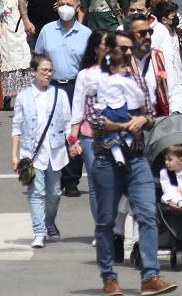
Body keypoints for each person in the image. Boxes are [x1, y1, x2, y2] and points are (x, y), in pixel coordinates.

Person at [83, 44, 177, 296]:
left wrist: (143, 120)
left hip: (136, 159)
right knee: (105, 221)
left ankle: (150, 276)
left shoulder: (136, 82)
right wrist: (126, 124)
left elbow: (150, 113)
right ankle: (109, 277)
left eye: (126, 63)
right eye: (118, 64)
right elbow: (96, 122)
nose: (124, 69)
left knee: (146, 214)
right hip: (107, 160)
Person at [11, 54, 73, 248]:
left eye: (50, 71)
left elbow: (68, 122)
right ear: (33, 72)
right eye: (44, 70)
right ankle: (39, 231)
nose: (48, 74)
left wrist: (73, 142)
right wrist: (14, 155)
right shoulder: (23, 96)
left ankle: (49, 221)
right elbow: (17, 127)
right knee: (36, 192)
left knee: (54, 192)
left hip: (55, 151)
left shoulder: (59, 94)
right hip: (31, 152)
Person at [35, 0, 92, 197]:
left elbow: (91, 64)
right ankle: (54, 176)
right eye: (62, 3)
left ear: (78, 7)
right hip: (52, 86)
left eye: (70, 4)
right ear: (56, 6)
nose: (66, 8)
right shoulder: (47, 30)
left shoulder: (86, 34)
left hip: (76, 87)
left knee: (73, 132)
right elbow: (38, 58)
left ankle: (72, 180)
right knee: (52, 131)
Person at [68, 29, 110, 222]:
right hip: (89, 135)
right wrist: (73, 139)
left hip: (116, 136)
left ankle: (113, 225)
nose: (109, 48)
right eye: (104, 44)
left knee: (115, 183)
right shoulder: (85, 74)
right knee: (95, 184)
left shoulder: (123, 72)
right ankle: (101, 226)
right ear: (96, 49)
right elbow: (77, 107)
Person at [0, 0, 33, 100]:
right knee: (9, 62)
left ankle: (26, 95)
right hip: (8, 30)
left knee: (26, 60)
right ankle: (7, 96)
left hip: (24, 29)